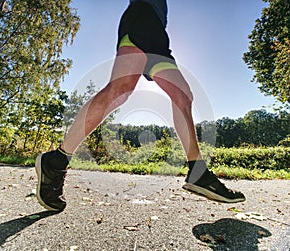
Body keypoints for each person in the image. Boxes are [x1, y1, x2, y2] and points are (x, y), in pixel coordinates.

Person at [35, 0, 245, 212]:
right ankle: (57, 160)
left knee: (179, 93)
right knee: (119, 90)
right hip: (141, 17)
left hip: (155, 28)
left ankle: (198, 171)